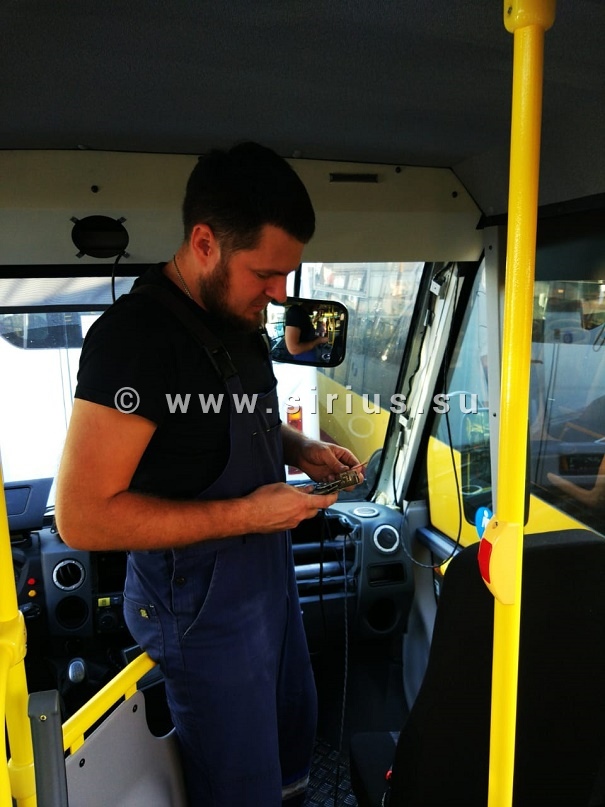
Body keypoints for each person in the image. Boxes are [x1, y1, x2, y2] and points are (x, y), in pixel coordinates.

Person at [55, 142, 362, 807]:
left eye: (289, 274)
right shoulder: (134, 340)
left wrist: (300, 449)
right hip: (200, 613)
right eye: (266, 273)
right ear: (204, 243)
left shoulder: (237, 315)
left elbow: (217, 423)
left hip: (269, 585)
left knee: (293, 745)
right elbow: (81, 517)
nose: (280, 295)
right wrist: (250, 513)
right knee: (239, 786)